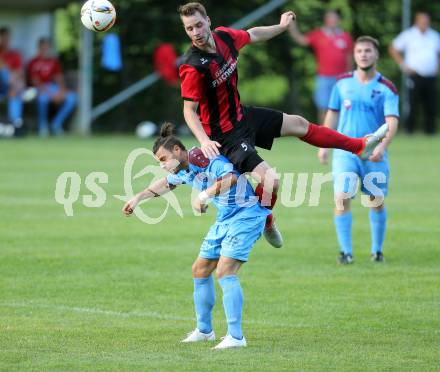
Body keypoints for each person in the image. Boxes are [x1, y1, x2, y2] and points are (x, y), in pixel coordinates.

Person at [177, 2, 387, 249]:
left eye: (199, 25)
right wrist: (204, 140)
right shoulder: (193, 65)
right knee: (272, 182)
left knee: (298, 123)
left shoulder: (225, 37)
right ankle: (265, 218)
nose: (196, 32)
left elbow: (254, 34)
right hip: (225, 136)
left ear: (208, 21)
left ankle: (359, 146)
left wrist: (282, 26)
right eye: (189, 29)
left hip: (242, 116)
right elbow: (188, 111)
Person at [123, 123, 271, 349]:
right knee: (200, 270)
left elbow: (231, 177)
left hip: (247, 215)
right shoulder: (181, 169)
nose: (162, 166)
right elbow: (166, 184)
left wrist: (203, 196)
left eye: (163, 159)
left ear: (177, 151)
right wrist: (138, 198)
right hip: (226, 218)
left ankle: (236, 337)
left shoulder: (202, 156)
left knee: (225, 271)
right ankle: (204, 331)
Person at [318, 36, 399, 264]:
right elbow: (332, 114)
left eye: (368, 51)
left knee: (376, 200)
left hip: (373, 153)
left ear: (376, 55)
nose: (363, 54)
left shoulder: (386, 88)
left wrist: (382, 147)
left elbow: (391, 122)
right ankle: (346, 252)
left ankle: (377, 251)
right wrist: (324, 145)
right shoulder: (342, 83)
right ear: (354, 55)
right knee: (341, 197)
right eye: (359, 51)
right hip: (345, 152)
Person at [289, 10, 353, 123]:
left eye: (334, 18)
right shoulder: (318, 34)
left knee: (342, 107)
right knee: (323, 107)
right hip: (323, 77)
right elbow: (301, 40)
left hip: (341, 78)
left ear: (338, 20)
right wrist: (291, 26)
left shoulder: (345, 36)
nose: (332, 21)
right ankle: (324, 135)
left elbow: (349, 57)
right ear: (326, 21)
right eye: (330, 18)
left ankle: (340, 134)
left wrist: (350, 76)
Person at [389, 12, 440, 135]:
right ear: (416, 22)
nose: (425, 24)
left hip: (430, 75)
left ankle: (430, 131)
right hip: (414, 75)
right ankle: (409, 130)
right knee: (412, 103)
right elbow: (393, 48)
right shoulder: (409, 35)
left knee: (430, 104)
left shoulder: (434, 35)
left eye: (426, 21)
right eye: (422, 21)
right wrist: (403, 65)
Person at [27, 37, 77, 137]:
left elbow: (58, 77)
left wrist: (61, 91)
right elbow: (35, 81)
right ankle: (43, 127)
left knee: (72, 98)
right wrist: (51, 94)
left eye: (47, 47)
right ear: (39, 47)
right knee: (43, 99)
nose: (45, 49)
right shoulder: (33, 62)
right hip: (38, 89)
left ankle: (56, 124)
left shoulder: (53, 61)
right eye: (43, 47)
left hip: (52, 87)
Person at [0, 26, 24, 129]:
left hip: (9, 87)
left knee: (14, 93)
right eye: (3, 38)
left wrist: (11, 79)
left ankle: (15, 125)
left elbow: (20, 72)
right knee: (4, 72)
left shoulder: (14, 54)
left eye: (7, 38)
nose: (6, 40)